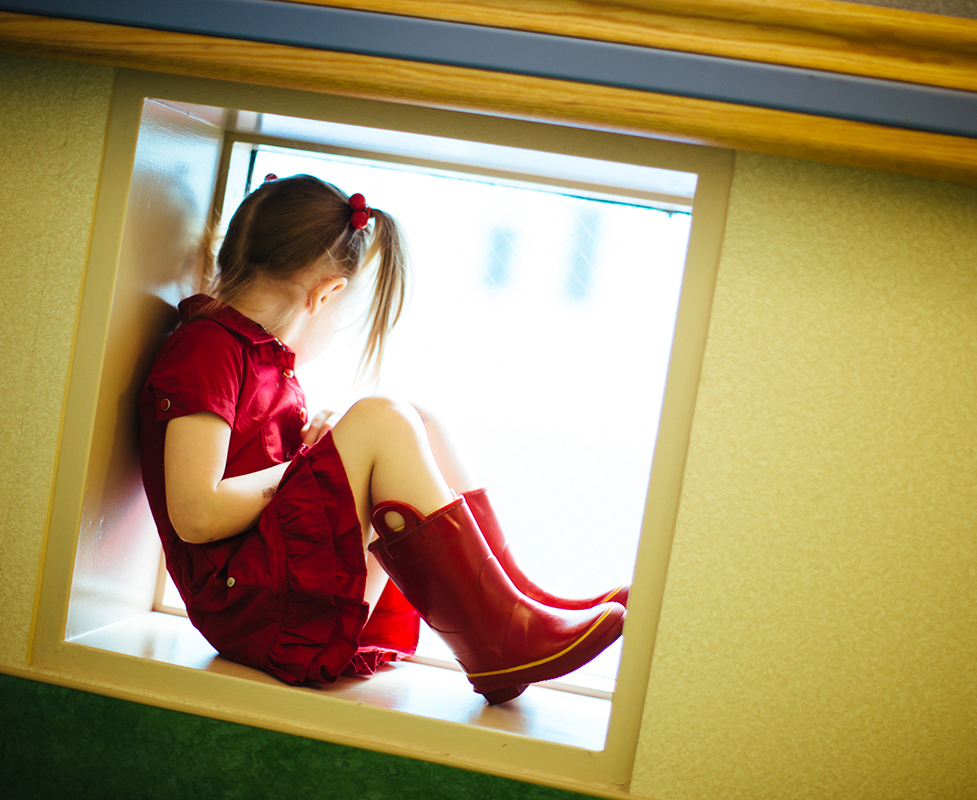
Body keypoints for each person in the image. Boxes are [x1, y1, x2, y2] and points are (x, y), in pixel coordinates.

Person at [139, 174, 627, 704]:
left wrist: (310, 450)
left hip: (265, 591)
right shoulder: (208, 350)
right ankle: (499, 633)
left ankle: (512, 600)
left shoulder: (256, 358)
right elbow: (197, 513)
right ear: (326, 293)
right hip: (247, 608)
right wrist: (306, 465)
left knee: (416, 418)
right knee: (381, 417)